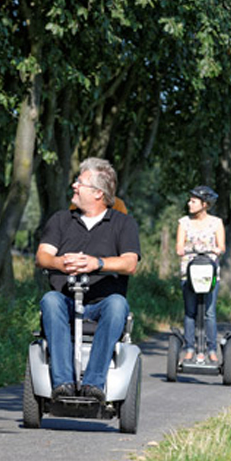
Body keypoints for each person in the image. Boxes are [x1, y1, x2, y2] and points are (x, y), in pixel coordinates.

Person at [35, 157, 141, 403]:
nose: (74, 186)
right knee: (50, 300)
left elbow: (129, 263)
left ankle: (94, 383)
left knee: (117, 304)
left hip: (101, 305)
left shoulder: (123, 223)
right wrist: (60, 263)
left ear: (97, 193)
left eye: (79, 182)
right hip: (66, 301)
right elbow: (42, 256)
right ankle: (62, 384)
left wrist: (98, 263)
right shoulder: (61, 220)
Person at [176, 185, 226, 363]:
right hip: (189, 273)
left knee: (209, 313)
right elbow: (179, 247)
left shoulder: (216, 223)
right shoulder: (184, 222)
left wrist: (215, 250)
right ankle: (190, 348)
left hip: (209, 273)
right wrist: (189, 249)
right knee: (190, 312)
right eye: (190, 200)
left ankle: (211, 349)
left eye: (193, 201)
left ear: (204, 204)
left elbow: (222, 246)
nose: (189, 203)